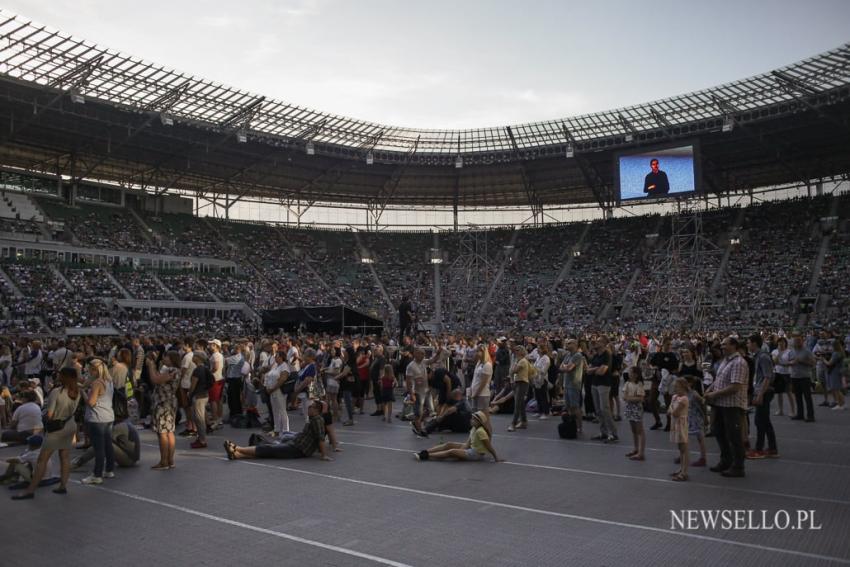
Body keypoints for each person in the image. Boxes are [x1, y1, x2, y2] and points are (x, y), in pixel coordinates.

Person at [12, 367, 80, 499]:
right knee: (64, 457)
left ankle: (30, 490)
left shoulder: (56, 392)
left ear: (64, 377)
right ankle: (62, 486)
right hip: (70, 424)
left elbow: (49, 414)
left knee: (42, 460)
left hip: (56, 428)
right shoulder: (77, 390)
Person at [223, 400, 331, 461]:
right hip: (295, 444)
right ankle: (236, 455)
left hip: (298, 449)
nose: (308, 408)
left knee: (269, 449)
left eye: (311, 406)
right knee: (270, 450)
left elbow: (320, 437)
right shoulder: (314, 419)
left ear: (317, 410)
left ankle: (236, 448)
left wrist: (324, 455)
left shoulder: (317, 420)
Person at [705, 336, 749, 478]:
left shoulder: (738, 362)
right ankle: (726, 460)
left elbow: (735, 386)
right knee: (718, 432)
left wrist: (714, 394)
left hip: (732, 405)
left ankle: (738, 466)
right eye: (721, 345)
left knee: (734, 436)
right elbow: (719, 379)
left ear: (734, 346)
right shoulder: (726, 360)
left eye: (725, 345)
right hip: (720, 403)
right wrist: (710, 389)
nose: (722, 347)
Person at [414, 411, 502, 462]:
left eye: (473, 419)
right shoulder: (474, 429)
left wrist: (496, 458)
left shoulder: (480, 431)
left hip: (476, 454)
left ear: (479, 422)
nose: (471, 420)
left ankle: (425, 456)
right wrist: (462, 449)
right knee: (449, 444)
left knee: (451, 452)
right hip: (471, 448)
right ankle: (424, 451)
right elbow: (468, 442)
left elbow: (489, 446)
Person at [82, 358, 116, 485]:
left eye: (90, 369)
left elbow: (91, 402)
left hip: (97, 418)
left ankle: (97, 474)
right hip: (108, 416)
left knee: (99, 448)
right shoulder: (109, 381)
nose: (88, 372)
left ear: (95, 370)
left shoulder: (97, 383)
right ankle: (109, 469)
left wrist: (83, 393)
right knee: (108, 445)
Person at [146, 350, 181, 470]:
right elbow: (159, 377)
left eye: (165, 357)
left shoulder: (172, 370)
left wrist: (151, 366)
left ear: (171, 359)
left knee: (162, 433)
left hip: (163, 403)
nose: (163, 359)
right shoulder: (172, 370)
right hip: (169, 402)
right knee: (169, 431)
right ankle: (170, 460)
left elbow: (155, 380)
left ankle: (164, 461)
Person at [747, 334, 778, 459]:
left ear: (754, 343)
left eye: (749, 342)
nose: (747, 345)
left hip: (764, 392)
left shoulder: (763, 357)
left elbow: (767, 377)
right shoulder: (757, 357)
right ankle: (772, 448)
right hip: (760, 390)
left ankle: (760, 449)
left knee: (760, 421)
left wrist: (760, 394)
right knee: (764, 421)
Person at [72, 417, 141, 469]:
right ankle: (80, 460)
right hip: (131, 457)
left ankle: (79, 461)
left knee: (103, 444)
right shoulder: (126, 423)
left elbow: (104, 440)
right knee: (105, 443)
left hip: (128, 459)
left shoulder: (119, 427)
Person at [587, 337, 618, 443]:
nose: (596, 342)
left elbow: (603, 371)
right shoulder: (596, 355)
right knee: (598, 410)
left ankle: (613, 433)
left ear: (604, 343)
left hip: (604, 384)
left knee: (605, 408)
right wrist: (596, 368)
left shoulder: (607, 355)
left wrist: (594, 369)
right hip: (594, 384)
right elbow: (588, 370)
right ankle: (603, 432)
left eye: (599, 341)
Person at [787, 335, 816, 422]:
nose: (797, 342)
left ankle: (810, 416)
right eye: (795, 341)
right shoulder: (791, 352)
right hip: (794, 376)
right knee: (797, 397)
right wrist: (791, 362)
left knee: (807, 397)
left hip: (805, 377)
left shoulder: (807, 351)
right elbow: (789, 361)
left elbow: (813, 363)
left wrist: (801, 361)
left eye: (799, 341)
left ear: (802, 341)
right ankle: (800, 414)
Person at [263, 351, 291, 436]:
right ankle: (277, 429)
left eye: (277, 356)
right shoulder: (275, 365)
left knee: (282, 410)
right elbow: (268, 375)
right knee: (275, 410)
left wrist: (273, 389)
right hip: (271, 390)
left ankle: (286, 430)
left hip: (279, 390)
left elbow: (282, 379)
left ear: (281, 357)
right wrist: (267, 387)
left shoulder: (284, 366)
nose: (275, 358)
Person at [560, 339, 585, 434]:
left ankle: (579, 427)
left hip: (574, 384)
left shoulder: (577, 355)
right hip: (566, 384)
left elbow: (569, 368)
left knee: (575, 407)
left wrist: (565, 367)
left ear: (575, 344)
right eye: (566, 343)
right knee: (569, 407)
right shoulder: (568, 355)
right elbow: (561, 367)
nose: (566, 344)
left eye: (569, 343)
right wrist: (565, 367)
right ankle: (572, 425)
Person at [188, 352, 212, 449]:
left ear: (198, 358)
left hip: (198, 396)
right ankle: (201, 438)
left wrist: (189, 394)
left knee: (199, 419)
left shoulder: (197, 370)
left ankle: (202, 440)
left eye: (194, 356)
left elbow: (193, 385)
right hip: (204, 394)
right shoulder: (205, 368)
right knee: (199, 418)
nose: (192, 357)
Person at [668, 378, 690, 482]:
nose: (675, 389)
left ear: (683, 387)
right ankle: (681, 468)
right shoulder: (675, 397)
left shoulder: (684, 399)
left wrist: (672, 410)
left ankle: (684, 472)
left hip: (681, 424)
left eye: (677, 387)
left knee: (684, 448)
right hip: (676, 423)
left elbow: (675, 412)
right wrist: (671, 410)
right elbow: (670, 410)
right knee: (680, 448)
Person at [622, 367, 645, 461]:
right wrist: (629, 398)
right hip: (629, 408)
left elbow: (640, 398)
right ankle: (636, 448)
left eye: (630, 372)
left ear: (635, 374)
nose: (629, 374)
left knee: (640, 430)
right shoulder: (627, 383)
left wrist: (629, 398)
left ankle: (641, 452)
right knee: (633, 430)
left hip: (636, 408)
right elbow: (624, 396)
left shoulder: (639, 384)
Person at [507, 346, 530, 432]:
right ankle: (524, 421)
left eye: (518, 350)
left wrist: (512, 371)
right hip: (518, 382)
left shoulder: (523, 361)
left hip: (522, 383)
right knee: (520, 404)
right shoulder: (517, 360)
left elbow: (513, 371)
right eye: (515, 350)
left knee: (517, 404)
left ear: (522, 351)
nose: (515, 352)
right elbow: (511, 371)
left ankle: (513, 423)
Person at [771, 336, 795, 417]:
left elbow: (792, 362)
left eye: (783, 342)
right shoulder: (774, 351)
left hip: (787, 373)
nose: (781, 343)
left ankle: (792, 410)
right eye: (779, 342)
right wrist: (779, 352)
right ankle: (780, 410)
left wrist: (784, 364)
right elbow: (774, 361)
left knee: (789, 392)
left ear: (786, 343)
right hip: (778, 373)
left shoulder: (789, 351)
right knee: (779, 393)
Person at [825, 339, 846, 411]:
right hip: (838, 371)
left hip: (835, 371)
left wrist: (823, 359)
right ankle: (841, 404)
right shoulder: (840, 352)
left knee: (836, 389)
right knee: (837, 388)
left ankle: (840, 405)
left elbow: (829, 363)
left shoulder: (836, 353)